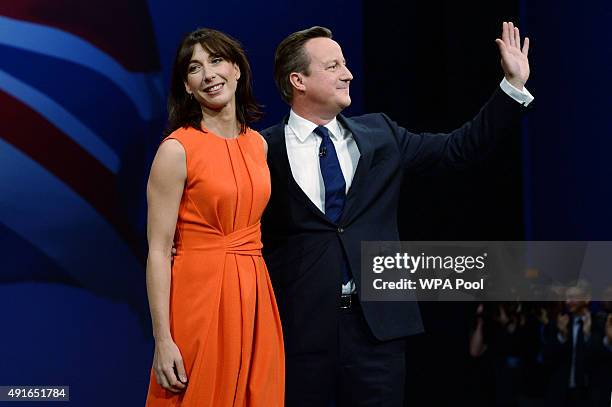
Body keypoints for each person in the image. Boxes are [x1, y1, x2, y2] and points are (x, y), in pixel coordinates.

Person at [260, 22, 533, 406]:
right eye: (333, 66)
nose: (348, 73)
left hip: (377, 334)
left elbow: (459, 149)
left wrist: (512, 88)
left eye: (346, 64)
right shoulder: (260, 150)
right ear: (298, 80)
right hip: (300, 334)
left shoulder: (380, 134)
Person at [145, 28, 284, 406]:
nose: (208, 74)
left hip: (255, 292)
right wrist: (163, 339)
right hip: (199, 297)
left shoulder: (258, 144)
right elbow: (158, 250)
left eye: (217, 60)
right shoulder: (176, 150)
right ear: (187, 87)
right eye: (195, 68)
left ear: (237, 70)